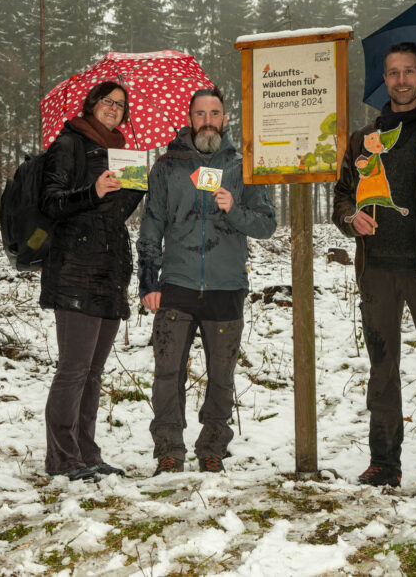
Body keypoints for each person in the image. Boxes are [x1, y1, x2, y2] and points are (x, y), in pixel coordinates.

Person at [332, 42, 416, 498]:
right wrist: (351, 217)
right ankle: (384, 463)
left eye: (409, 71)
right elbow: (342, 197)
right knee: (382, 368)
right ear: (385, 80)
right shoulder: (363, 137)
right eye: (393, 73)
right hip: (377, 271)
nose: (402, 80)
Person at [137, 87, 276, 475]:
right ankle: (169, 449)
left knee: (221, 375)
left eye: (215, 113)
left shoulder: (244, 165)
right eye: (200, 114)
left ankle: (213, 446)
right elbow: (152, 225)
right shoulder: (167, 166)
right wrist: (149, 280)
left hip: (227, 285)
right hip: (177, 284)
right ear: (190, 118)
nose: (208, 121)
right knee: (167, 372)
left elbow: (267, 224)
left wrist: (234, 210)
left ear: (225, 119)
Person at [39, 81, 144, 482]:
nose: (114, 109)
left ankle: (87, 452)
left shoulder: (120, 152)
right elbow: (51, 203)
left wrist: (134, 186)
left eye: (120, 104)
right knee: (74, 368)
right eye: (107, 102)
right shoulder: (69, 143)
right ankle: (62, 458)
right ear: (92, 104)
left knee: (94, 371)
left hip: (108, 272)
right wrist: (91, 190)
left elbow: (113, 214)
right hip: (73, 271)